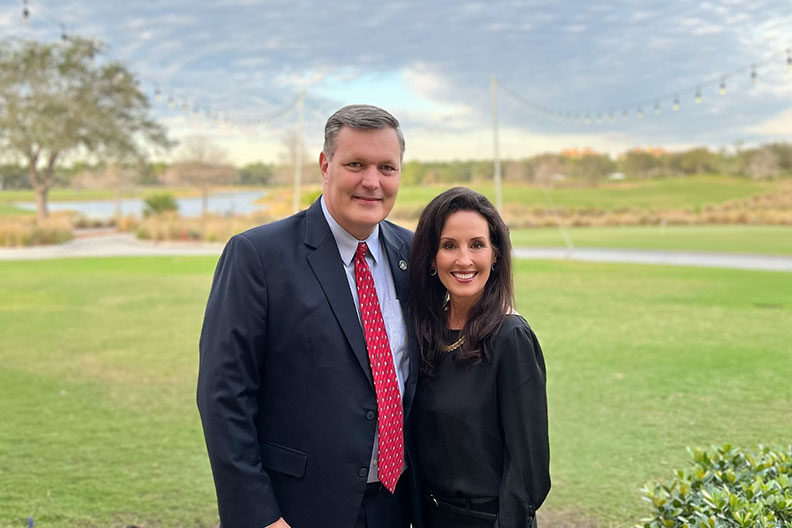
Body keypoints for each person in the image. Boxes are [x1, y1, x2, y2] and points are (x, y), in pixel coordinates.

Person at [197, 105, 420, 528]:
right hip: (296, 510)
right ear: (325, 164)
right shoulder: (258, 256)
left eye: (387, 167)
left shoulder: (414, 253)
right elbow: (223, 396)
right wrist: (259, 516)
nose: (372, 181)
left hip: (397, 506)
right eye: (356, 164)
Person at [408, 187, 550, 528]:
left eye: (477, 244)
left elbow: (528, 467)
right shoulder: (424, 334)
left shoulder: (510, 337)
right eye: (449, 245)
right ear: (431, 257)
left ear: (495, 254)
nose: (464, 260)